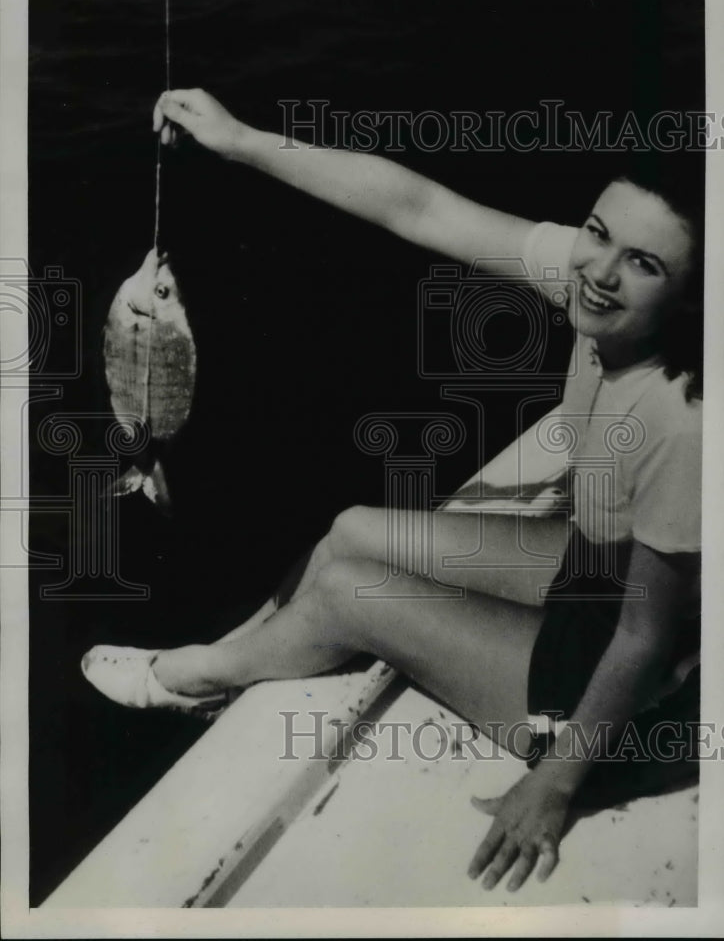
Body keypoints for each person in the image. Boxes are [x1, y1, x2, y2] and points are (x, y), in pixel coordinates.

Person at [83, 89, 703, 893]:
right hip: (592, 577)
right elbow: (419, 206)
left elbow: (645, 641)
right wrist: (240, 141)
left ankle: (199, 674)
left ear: (691, 296)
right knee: (352, 530)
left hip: (645, 705)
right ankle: (248, 657)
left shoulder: (683, 420)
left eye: (645, 265)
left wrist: (552, 788)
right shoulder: (595, 292)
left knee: (349, 591)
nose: (602, 273)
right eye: (596, 233)